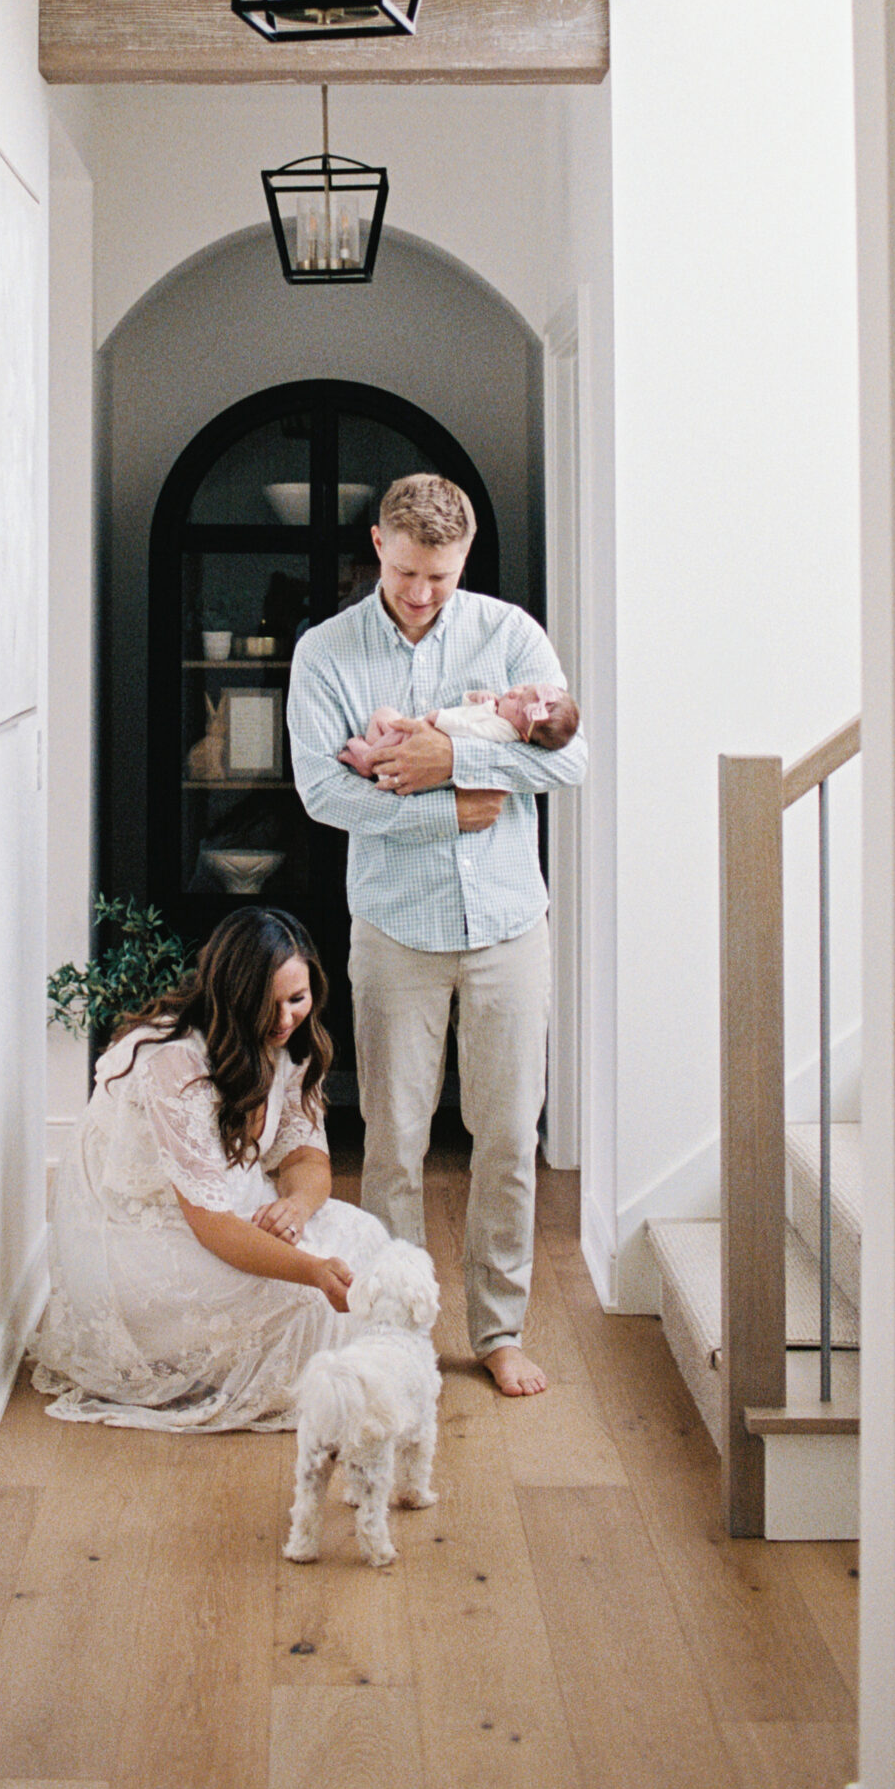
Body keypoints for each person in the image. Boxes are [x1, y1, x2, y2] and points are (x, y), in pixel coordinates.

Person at [287, 474, 587, 1398]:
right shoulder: (326, 653)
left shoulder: (511, 636)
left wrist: (453, 756)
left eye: (443, 578)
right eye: (411, 571)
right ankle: (395, 1331)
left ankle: (498, 1332)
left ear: (465, 561)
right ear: (379, 543)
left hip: (508, 926)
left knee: (504, 1135)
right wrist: (448, 808)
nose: (424, 594)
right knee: (394, 1140)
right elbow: (322, 791)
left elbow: (570, 759)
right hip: (394, 929)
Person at [28, 905, 389, 1429]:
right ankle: (194, 1358)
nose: (287, 1019)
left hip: (219, 1203)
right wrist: (310, 1271)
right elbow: (212, 1225)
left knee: (366, 1236)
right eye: (270, 1005)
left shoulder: (290, 1042)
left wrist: (296, 1205)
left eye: (298, 998)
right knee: (307, 1297)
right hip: (142, 1237)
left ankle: (237, 1355)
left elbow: (306, 1156)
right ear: (233, 997)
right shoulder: (176, 1064)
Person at [339, 682, 581, 777]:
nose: (513, 693)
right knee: (384, 717)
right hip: (423, 730)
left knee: (397, 730)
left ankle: (369, 761)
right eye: (523, 689)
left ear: (524, 735)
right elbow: (466, 709)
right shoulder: (500, 712)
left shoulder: (504, 731)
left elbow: (469, 731)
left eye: (517, 705)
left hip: (424, 738)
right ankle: (374, 755)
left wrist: (441, 718)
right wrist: (477, 697)